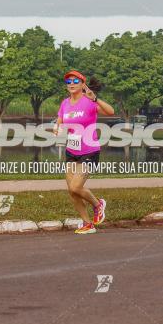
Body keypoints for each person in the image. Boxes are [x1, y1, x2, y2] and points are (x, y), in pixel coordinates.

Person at [54, 70, 114, 234]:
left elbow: (110, 111)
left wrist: (95, 98)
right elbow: (60, 118)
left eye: (75, 81)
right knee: (72, 192)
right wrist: (57, 126)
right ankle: (88, 224)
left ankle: (98, 204)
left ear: (82, 84)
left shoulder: (89, 102)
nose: (71, 84)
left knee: (75, 187)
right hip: (71, 151)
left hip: (89, 150)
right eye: (68, 82)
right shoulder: (65, 103)